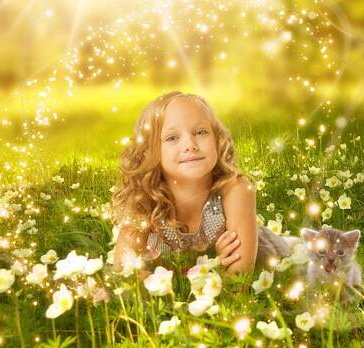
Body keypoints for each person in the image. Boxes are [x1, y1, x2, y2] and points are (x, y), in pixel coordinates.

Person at [110, 91, 287, 275]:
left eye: (201, 132)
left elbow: (239, 280)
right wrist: (216, 265)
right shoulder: (144, 198)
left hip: (264, 256)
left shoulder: (236, 190)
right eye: (172, 138)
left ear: (217, 139)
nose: (190, 145)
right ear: (150, 151)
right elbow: (122, 270)